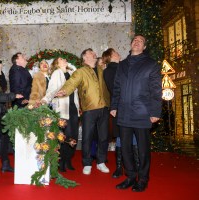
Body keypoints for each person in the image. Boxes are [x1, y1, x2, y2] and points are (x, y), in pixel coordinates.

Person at [110, 35, 162, 192]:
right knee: (125, 148)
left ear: (144, 47)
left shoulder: (151, 64)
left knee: (143, 149)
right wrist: (114, 106)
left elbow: (156, 89)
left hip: (143, 112)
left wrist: (155, 111)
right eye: (135, 40)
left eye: (140, 41)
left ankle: (143, 178)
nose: (137, 42)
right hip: (124, 112)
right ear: (131, 44)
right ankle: (131, 176)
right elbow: (117, 87)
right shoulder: (122, 64)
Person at [56, 48, 110, 175]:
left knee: (103, 137)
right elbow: (71, 83)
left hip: (104, 107)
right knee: (87, 137)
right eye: (91, 53)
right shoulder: (80, 71)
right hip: (89, 109)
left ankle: (101, 162)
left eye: (94, 52)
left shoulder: (102, 70)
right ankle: (87, 163)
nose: (95, 54)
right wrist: (64, 90)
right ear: (85, 57)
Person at [102, 48, 139, 179]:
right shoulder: (112, 70)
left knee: (127, 134)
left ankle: (127, 166)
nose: (119, 53)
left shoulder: (116, 69)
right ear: (111, 56)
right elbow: (117, 88)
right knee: (123, 135)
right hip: (121, 107)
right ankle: (122, 166)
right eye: (116, 52)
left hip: (122, 106)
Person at [41, 57, 80, 172]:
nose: (65, 59)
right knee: (64, 137)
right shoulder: (57, 73)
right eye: (62, 59)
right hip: (63, 109)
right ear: (57, 64)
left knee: (74, 136)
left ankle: (68, 160)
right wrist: (45, 100)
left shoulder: (71, 73)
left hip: (73, 108)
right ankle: (61, 161)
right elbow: (52, 89)